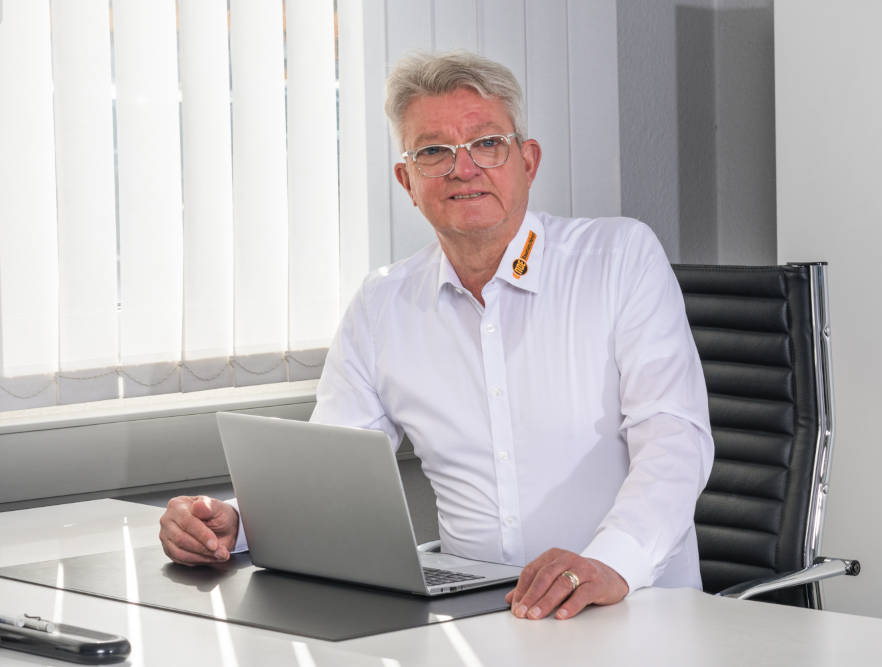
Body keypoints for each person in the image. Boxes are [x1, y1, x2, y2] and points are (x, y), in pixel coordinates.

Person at [159, 50, 713, 621]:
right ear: (408, 180)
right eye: (433, 152)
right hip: (477, 616)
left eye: (487, 144)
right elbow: (330, 471)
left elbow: (675, 440)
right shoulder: (383, 304)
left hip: (634, 609)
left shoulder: (620, 258)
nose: (463, 169)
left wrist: (611, 563)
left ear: (528, 161)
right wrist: (234, 523)